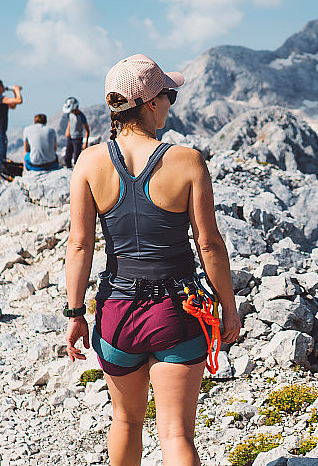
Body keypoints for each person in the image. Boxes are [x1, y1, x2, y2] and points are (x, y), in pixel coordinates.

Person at [64, 54, 240, 466]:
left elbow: (79, 244)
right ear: (149, 103)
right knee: (176, 433)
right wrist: (229, 308)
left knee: (125, 423)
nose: (170, 104)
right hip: (176, 311)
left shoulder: (89, 163)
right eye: (169, 95)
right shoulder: (187, 161)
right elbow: (209, 245)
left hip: (116, 312)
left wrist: (75, 313)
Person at [0, 79, 23, 175]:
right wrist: (17, 90)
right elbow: (19, 101)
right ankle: (0, 174)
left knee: (1, 156)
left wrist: (15, 93)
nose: (4, 87)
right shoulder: (0, 99)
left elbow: (13, 106)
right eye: (1, 85)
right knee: (2, 158)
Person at [63, 96, 90, 168]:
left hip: (78, 139)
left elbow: (87, 130)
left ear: (76, 107)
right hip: (70, 137)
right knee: (67, 157)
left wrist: (85, 142)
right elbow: (70, 122)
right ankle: (68, 169)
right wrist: (67, 130)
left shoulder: (81, 116)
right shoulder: (70, 114)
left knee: (76, 158)